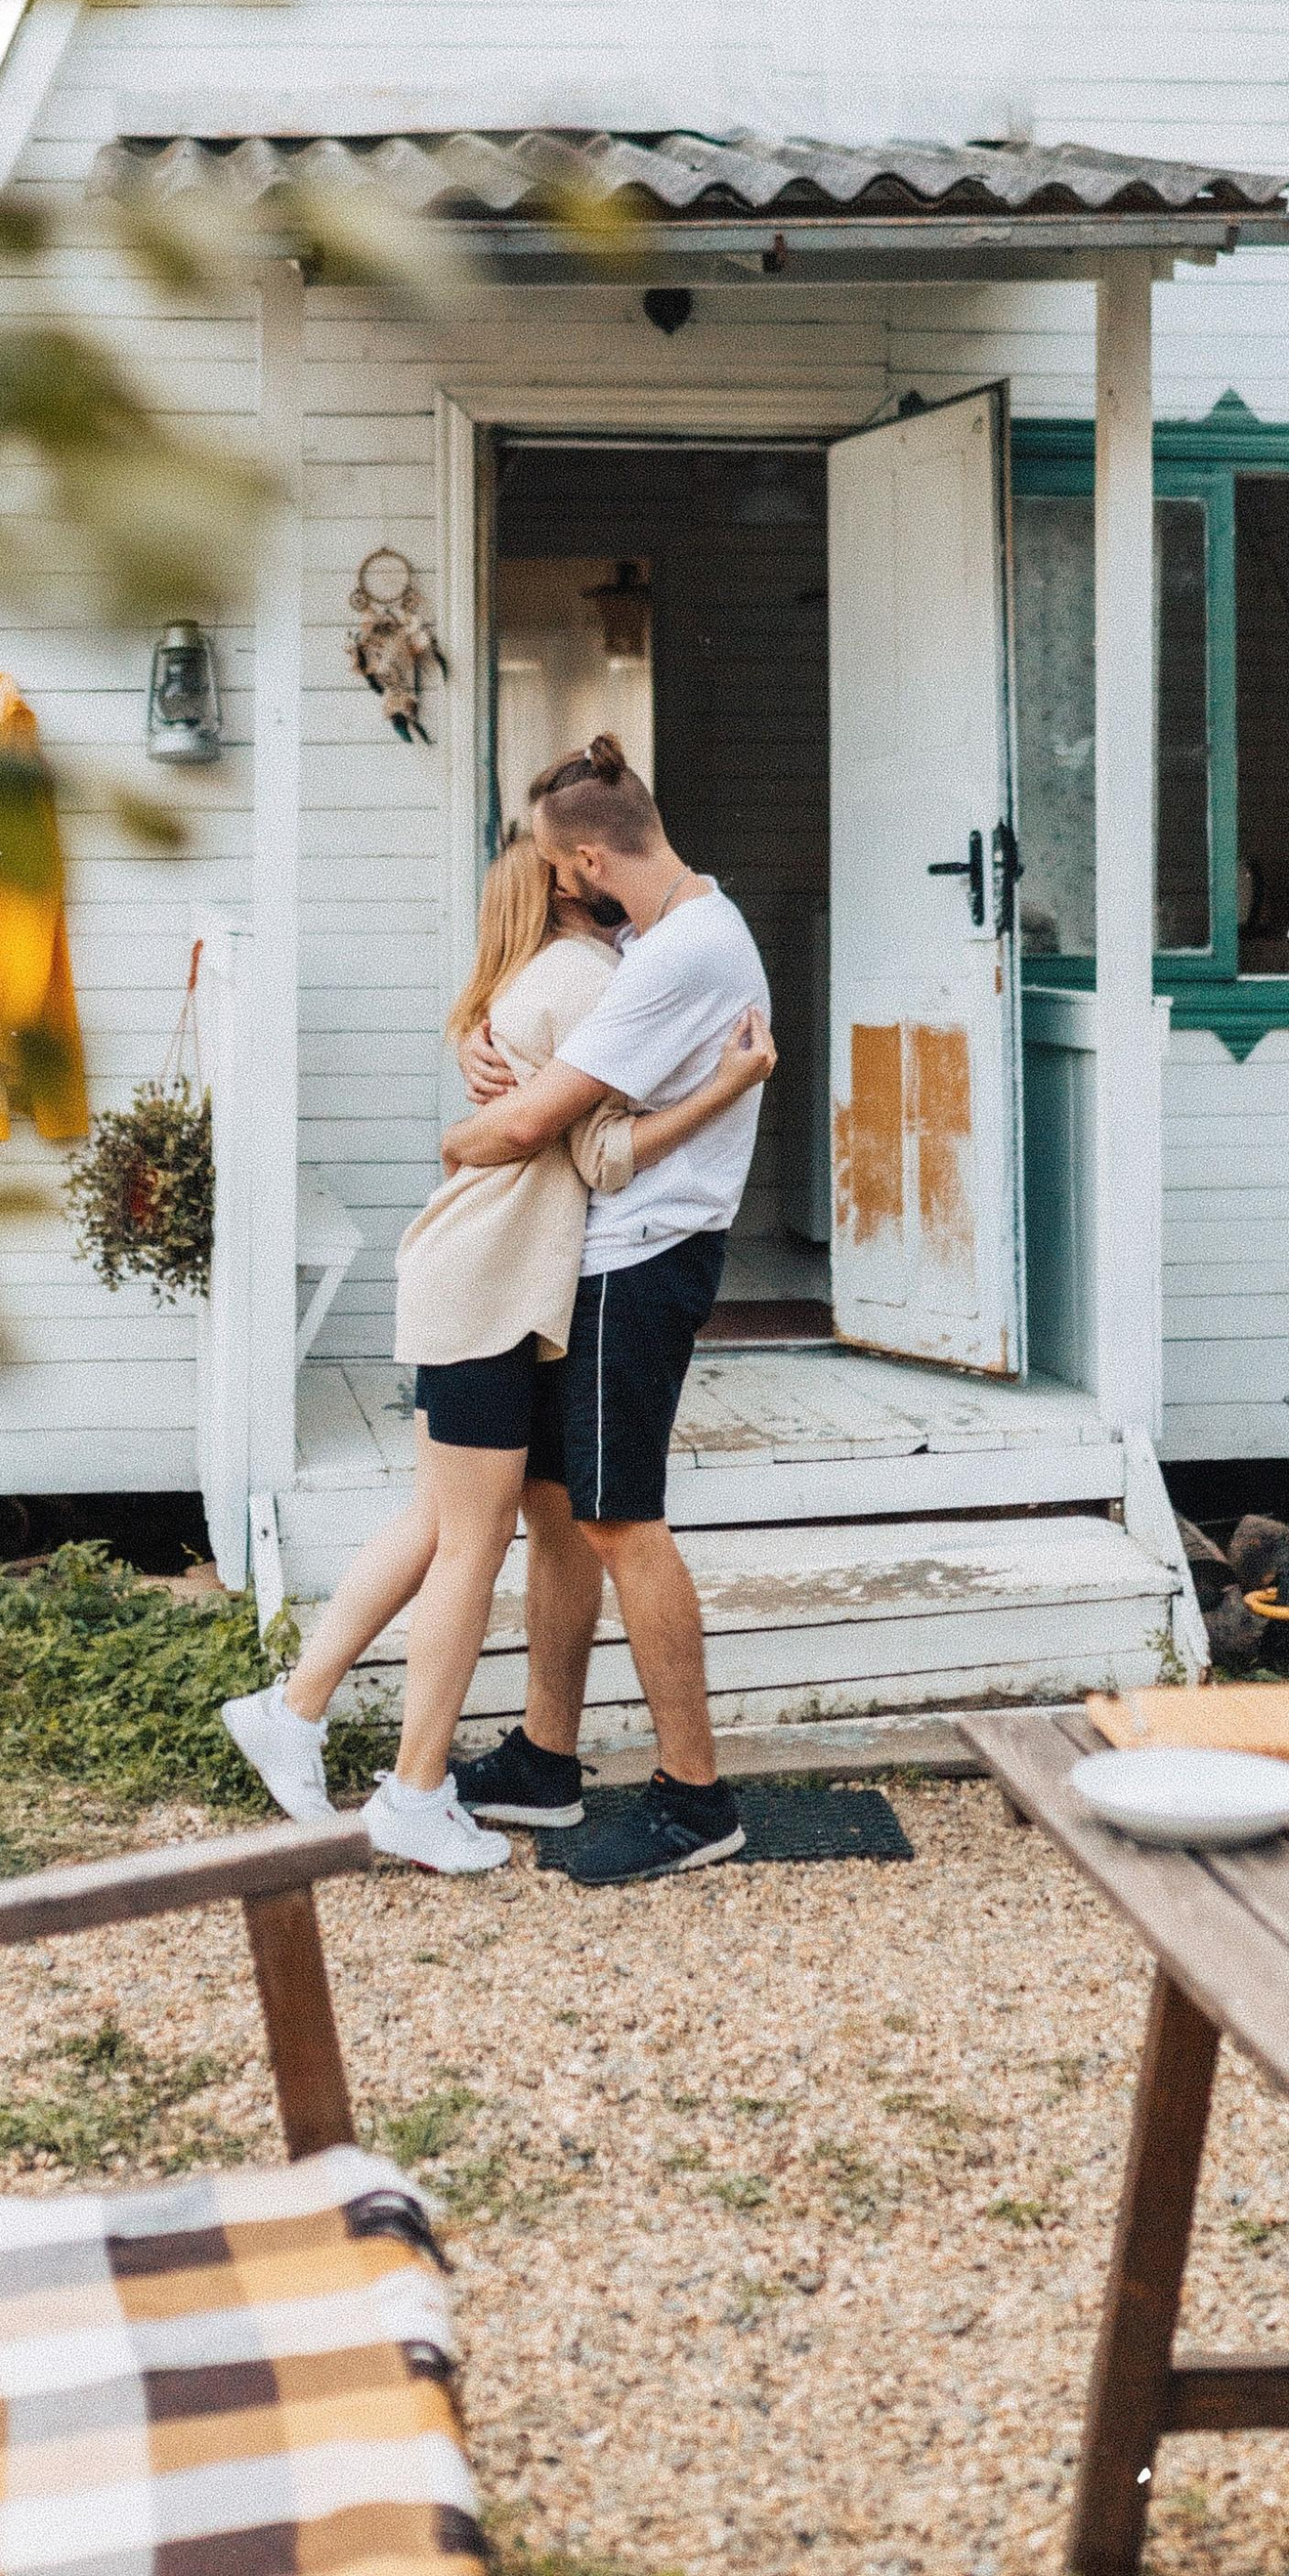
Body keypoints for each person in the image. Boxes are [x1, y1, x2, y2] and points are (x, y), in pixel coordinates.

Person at [223, 833, 772, 1871]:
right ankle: (413, 1790)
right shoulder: (585, 982)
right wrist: (726, 1086)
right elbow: (601, 1154)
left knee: (440, 1518)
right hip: (488, 1288)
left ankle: (292, 1712)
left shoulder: (526, 983)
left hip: (479, 1279)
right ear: (572, 887)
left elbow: (526, 1119)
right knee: (471, 1539)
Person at [444, 736, 774, 1887]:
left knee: (620, 1517)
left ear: (588, 855)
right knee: (554, 1504)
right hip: (597, 1256)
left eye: (552, 863)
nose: (550, 886)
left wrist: (464, 1134)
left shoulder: (681, 956)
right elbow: (553, 1049)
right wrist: (495, 1042)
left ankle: (695, 1797)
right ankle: (546, 1755)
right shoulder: (668, 931)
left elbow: (540, 1128)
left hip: (637, 1260)